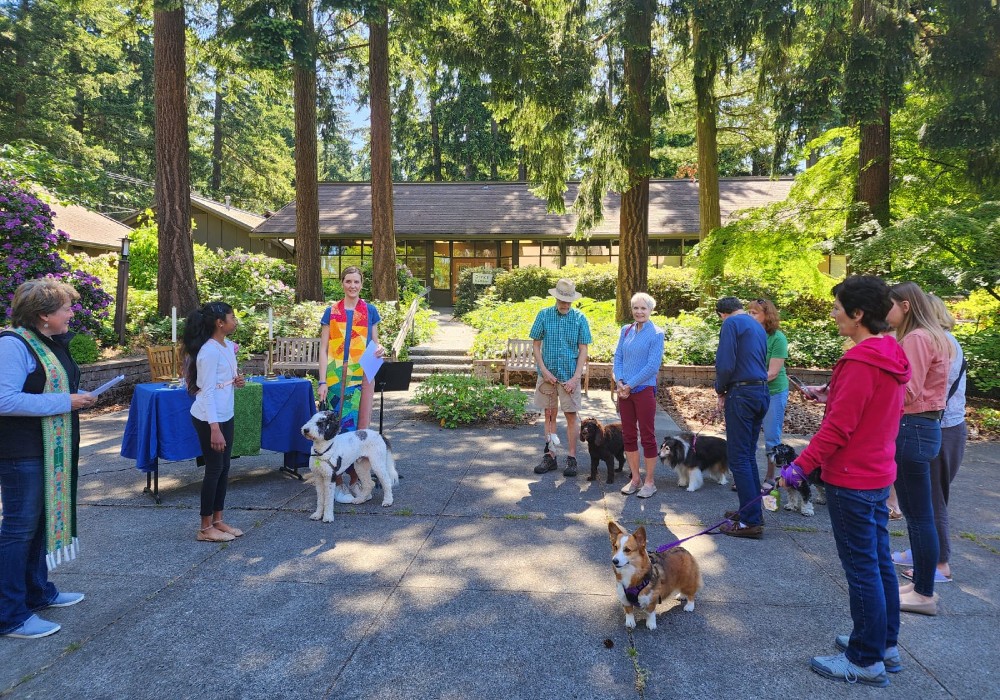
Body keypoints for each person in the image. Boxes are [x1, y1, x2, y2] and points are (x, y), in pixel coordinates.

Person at [781, 275, 910, 686]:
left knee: (862, 571)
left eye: (838, 307)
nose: (834, 313)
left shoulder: (858, 361)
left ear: (858, 314)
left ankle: (865, 659)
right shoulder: (887, 352)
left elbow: (837, 431)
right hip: (876, 475)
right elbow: (866, 406)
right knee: (877, 564)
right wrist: (832, 391)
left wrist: (800, 466)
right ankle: (882, 643)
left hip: (853, 479)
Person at [0, 279, 95, 639]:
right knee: (18, 529)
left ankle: (36, 592)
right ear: (42, 315)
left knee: (39, 524)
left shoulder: (42, 342)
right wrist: (64, 402)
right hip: (19, 452)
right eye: (65, 308)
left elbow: (47, 388)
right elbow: (3, 400)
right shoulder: (11, 345)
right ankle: (9, 614)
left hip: (46, 448)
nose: (72, 313)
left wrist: (76, 396)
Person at [886, 282, 952, 615]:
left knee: (918, 517)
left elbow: (907, 391)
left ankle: (924, 594)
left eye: (891, 306)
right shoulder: (935, 334)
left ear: (906, 306)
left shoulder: (916, 338)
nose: (887, 313)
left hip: (912, 428)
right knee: (919, 515)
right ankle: (920, 586)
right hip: (925, 427)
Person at [894, 295, 966, 584]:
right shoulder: (941, 340)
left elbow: (917, 388)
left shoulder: (934, 340)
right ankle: (922, 552)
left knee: (932, 498)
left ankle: (940, 564)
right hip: (944, 425)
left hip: (942, 425)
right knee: (924, 498)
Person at [317, 266, 385, 503]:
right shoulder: (331, 311)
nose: (352, 286)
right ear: (342, 283)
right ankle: (337, 482)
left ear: (361, 284)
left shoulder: (370, 311)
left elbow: (375, 344)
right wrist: (322, 380)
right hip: (336, 376)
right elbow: (324, 349)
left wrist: (380, 349)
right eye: (348, 281)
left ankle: (357, 480)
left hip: (362, 374)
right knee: (335, 429)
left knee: (359, 428)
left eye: (356, 281)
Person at [184, 301, 246, 543]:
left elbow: (224, 379)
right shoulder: (208, 352)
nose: (235, 320)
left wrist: (236, 381)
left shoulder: (227, 345)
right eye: (232, 316)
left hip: (225, 414)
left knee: (224, 468)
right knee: (214, 469)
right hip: (208, 418)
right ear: (220, 323)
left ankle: (218, 520)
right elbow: (206, 391)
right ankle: (204, 527)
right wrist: (214, 428)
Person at [714, 297, 769, 539]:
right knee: (747, 455)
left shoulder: (730, 324)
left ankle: (750, 522)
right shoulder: (756, 324)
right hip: (760, 391)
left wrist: (720, 388)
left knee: (738, 457)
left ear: (721, 314)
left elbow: (725, 363)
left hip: (742, 393)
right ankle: (751, 510)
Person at [530, 278, 592, 477]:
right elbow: (536, 346)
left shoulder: (580, 318)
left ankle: (572, 458)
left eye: (568, 301)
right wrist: (544, 370)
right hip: (546, 376)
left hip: (569, 377)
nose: (565, 304)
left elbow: (583, 350)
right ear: (555, 298)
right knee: (549, 414)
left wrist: (576, 378)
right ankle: (550, 455)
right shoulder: (544, 315)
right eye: (562, 300)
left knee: (571, 416)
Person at [614, 292, 666, 498]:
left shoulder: (656, 333)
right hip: (624, 391)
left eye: (643, 308)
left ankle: (649, 482)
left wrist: (630, 384)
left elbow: (653, 366)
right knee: (627, 435)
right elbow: (618, 357)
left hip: (643, 390)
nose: (639, 312)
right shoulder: (625, 330)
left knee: (647, 435)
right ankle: (635, 478)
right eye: (636, 308)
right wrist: (619, 381)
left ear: (651, 310)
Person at [747, 298, 789, 491]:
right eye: (749, 312)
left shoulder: (778, 338)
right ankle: (747, 476)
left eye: (754, 313)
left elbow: (772, 373)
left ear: (767, 316)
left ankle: (771, 476)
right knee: (748, 437)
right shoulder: (747, 335)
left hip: (773, 391)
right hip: (752, 391)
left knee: (772, 436)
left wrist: (746, 381)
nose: (750, 316)